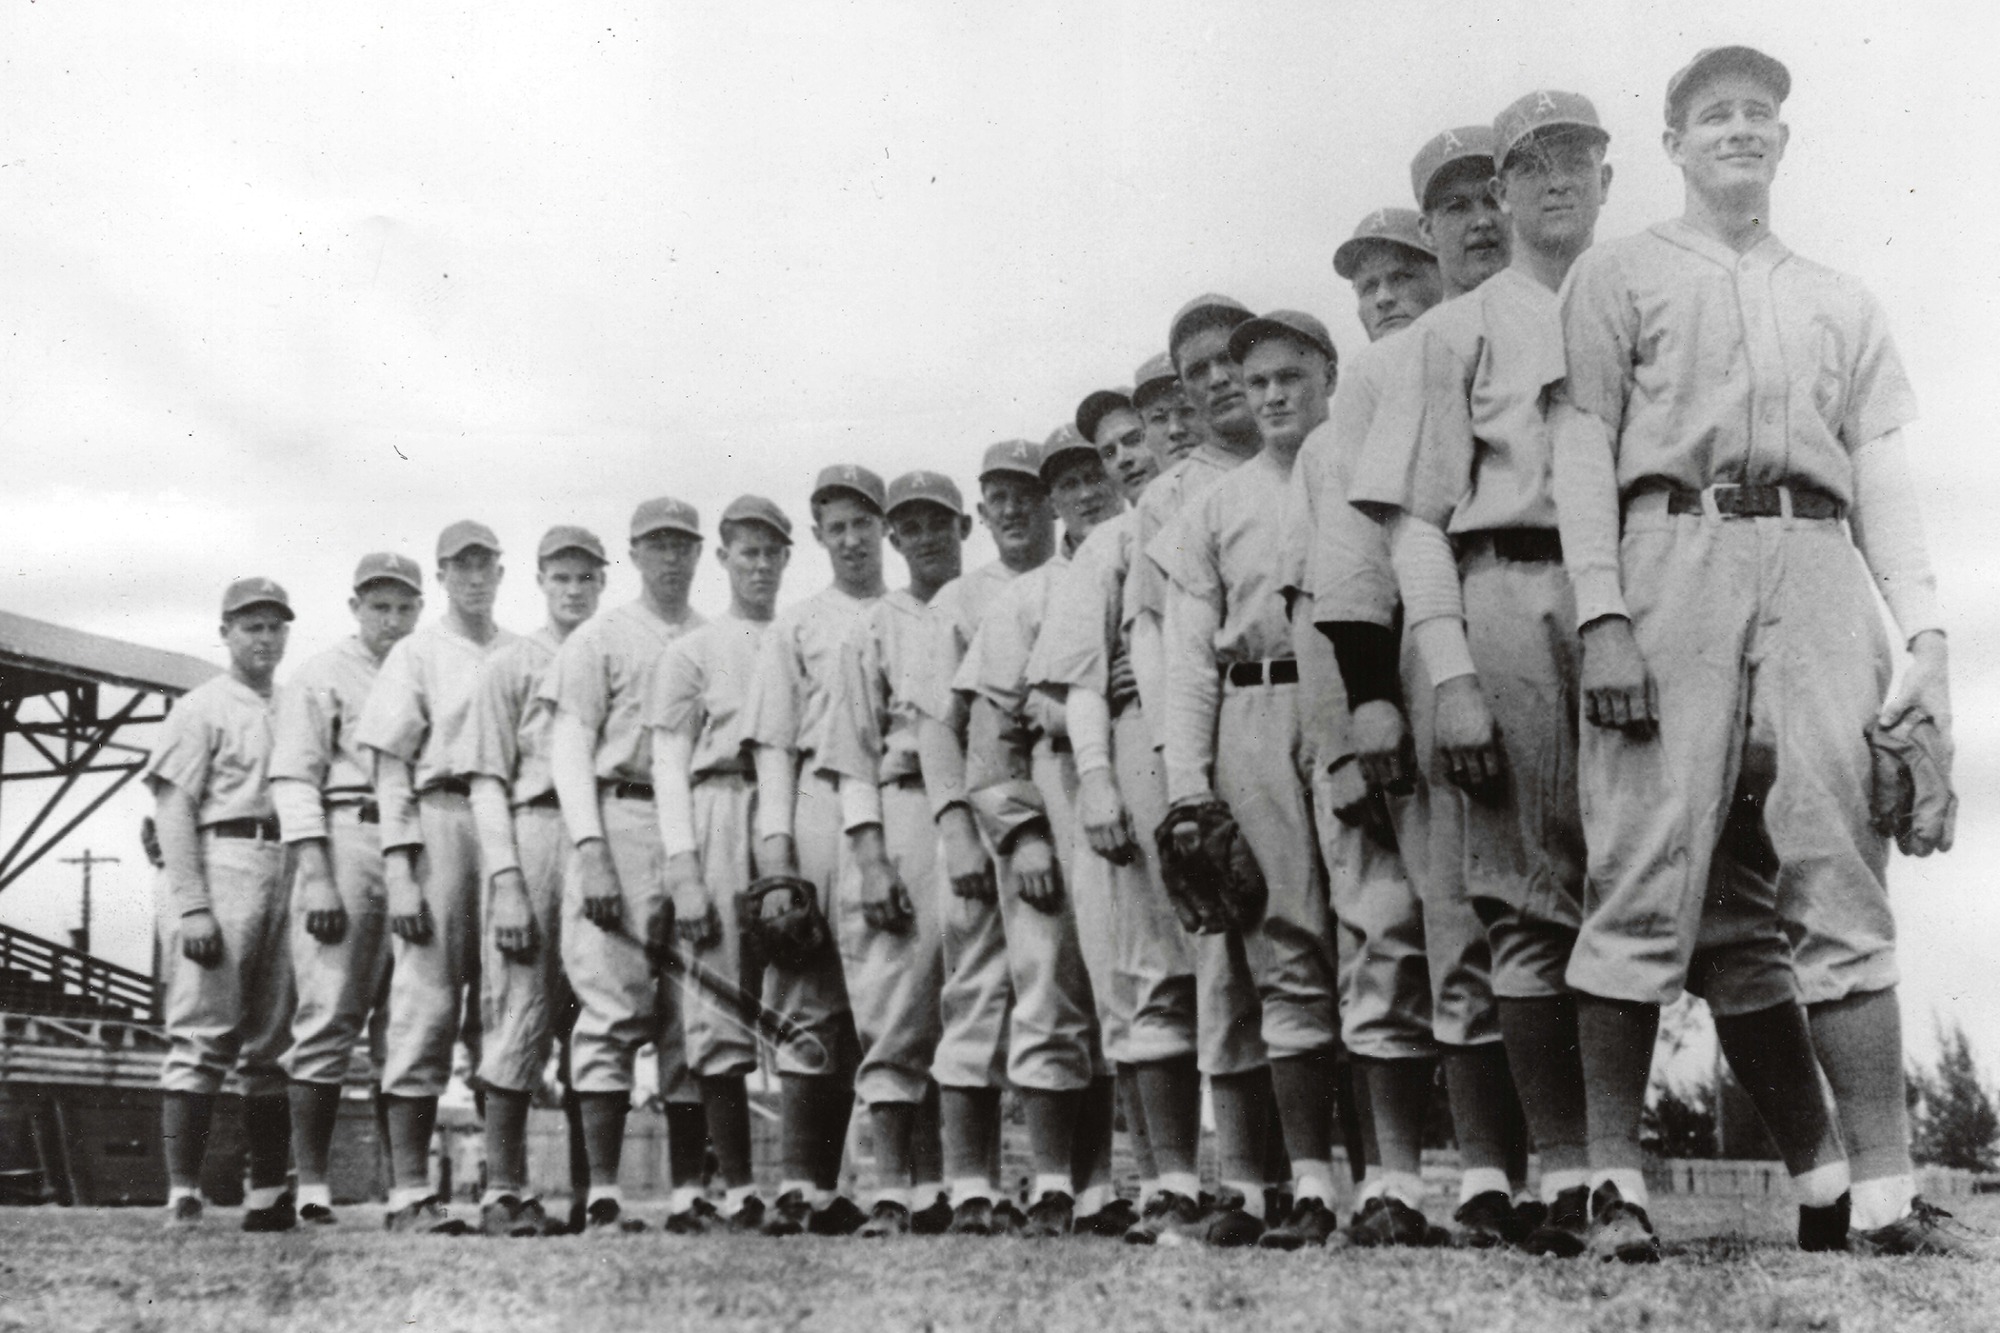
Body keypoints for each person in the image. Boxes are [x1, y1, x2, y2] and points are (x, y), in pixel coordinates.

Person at [1550, 46, 1967, 1258]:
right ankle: (1610, 1187)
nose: (1736, 130)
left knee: (1838, 858)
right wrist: (1600, 613)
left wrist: (1926, 634)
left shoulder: (1840, 296)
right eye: (1710, 114)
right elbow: (1584, 444)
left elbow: (1880, 471)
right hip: (1668, 546)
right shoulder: (1618, 274)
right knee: (1641, 858)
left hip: (1816, 554)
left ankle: (1880, 1197)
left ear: (1780, 143)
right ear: (1672, 143)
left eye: (1756, 114)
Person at [1333, 127, 1538, 1246]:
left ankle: (1573, 1163)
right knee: (1458, 908)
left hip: (1555, 621)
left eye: (1485, 195)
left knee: (1556, 901)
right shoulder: (1387, 361)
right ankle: (1486, 1176)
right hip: (1437, 621)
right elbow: (1360, 545)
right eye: (1448, 205)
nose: (1475, 219)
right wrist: (1367, 689)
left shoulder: (1560, 312)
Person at [1156, 310, 1347, 1248]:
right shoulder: (1209, 508)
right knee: (1282, 939)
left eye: (1287, 378)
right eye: (1254, 380)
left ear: (1324, 378)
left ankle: (1411, 1180)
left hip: (1353, 701)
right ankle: (1305, 1182)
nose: (1270, 395)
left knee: (1386, 929)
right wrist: (1189, 785)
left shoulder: (1355, 468)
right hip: (1253, 706)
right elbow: (1188, 659)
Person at [1282, 206, 1442, 1233]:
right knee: (1382, 930)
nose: (1382, 298)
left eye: (1399, 278)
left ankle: (1511, 1177)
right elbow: (1328, 599)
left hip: (1478, 675)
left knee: (1496, 929)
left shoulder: (1474, 374)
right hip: (1376, 699)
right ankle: (1394, 1176)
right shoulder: (1333, 440)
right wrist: (1340, 737)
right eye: (1366, 286)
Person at [1029, 386, 1199, 1232]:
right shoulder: (1109, 542)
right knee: (1146, 966)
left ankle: (1278, 1179)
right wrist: (1094, 776)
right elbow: (1071, 683)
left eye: (1143, 435)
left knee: (1262, 967)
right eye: (1112, 448)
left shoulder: (1220, 501)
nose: (1131, 455)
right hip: (1138, 755)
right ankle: (1174, 1177)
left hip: (1231, 727)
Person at [961, 429, 1128, 1238]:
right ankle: (1057, 1179)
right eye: (1067, 483)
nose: (1086, 492)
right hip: (1054, 792)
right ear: (1051, 498)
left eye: (1095, 474)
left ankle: (1106, 1184)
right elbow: (990, 738)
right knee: (1050, 982)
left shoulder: (1146, 562)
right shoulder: (1023, 597)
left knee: (1128, 986)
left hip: (1138, 782)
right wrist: (1021, 832)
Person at [545, 498, 707, 1235]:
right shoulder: (600, 635)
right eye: (656, 545)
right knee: (609, 1005)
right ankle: (604, 1191)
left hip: (701, 815)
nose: (671, 558)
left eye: (682, 545)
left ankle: (688, 1194)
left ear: (699, 552)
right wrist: (590, 850)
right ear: (634, 556)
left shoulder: (714, 635)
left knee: (694, 1015)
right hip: (621, 814)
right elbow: (569, 748)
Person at [821, 471, 975, 1237]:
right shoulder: (872, 625)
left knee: (974, 996)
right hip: (904, 802)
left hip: (986, 799)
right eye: (909, 526)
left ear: (963, 526)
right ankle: (892, 1188)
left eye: (937, 523)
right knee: (895, 998)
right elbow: (851, 755)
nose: (925, 538)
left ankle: (957, 1185)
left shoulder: (981, 600)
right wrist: (872, 856)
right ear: (893, 537)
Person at [357, 521, 522, 1234]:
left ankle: (504, 1187)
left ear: (500, 571)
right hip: (441, 814)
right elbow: (390, 766)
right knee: (425, 1004)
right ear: (443, 575)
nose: (474, 577)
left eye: (485, 564)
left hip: (510, 820)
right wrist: (399, 864)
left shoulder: (522, 650)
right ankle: (409, 1192)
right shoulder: (418, 650)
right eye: (461, 566)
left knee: (508, 1002)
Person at [741, 465, 891, 1237]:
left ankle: (905, 1186)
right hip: (817, 803)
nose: (852, 537)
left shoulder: (908, 611)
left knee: (896, 992)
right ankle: (807, 1183)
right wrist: (776, 857)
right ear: (821, 537)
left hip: (898, 798)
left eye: (864, 522)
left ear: (885, 526)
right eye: (836, 526)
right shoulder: (797, 623)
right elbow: (772, 747)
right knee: (808, 992)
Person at [910, 439, 1055, 1236]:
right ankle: (971, 1181)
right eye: (995, 495)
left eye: (1023, 492)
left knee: (1066, 993)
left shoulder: (1077, 574)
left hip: (1060, 799)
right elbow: (938, 727)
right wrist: (955, 827)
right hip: (983, 813)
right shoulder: (961, 599)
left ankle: (1078, 1183)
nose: (1010, 508)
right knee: (976, 994)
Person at [651, 495, 797, 1234]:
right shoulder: (694, 649)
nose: (761, 565)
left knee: (808, 990)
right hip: (718, 806)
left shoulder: (801, 633)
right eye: (747, 552)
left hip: (798, 803)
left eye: (773, 552)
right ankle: (738, 1184)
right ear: (725, 558)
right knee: (717, 1002)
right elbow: (668, 761)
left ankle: (809, 1182)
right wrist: (683, 869)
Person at [461, 526, 608, 1236]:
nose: (574, 589)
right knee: (521, 1007)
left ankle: (592, 1191)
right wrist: (509, 880)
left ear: (602, 582)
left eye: (585, 577)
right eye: (561, 577)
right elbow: (486, 782)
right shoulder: (511, 662)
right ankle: (505, 1189)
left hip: (606, 835)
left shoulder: (614, 649)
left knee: (599, 1012)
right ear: (541, 581)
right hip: (537, 829)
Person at [270, 553, 423, 1227]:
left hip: (420, 836)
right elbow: (295, 778)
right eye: (378, 605)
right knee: (330, 1012)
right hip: (348, 830)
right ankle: (312, 1185)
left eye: (402, 605)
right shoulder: (322, 672)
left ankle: (405, 1186)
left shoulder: (428, 663)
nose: (391, 618)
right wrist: (316, 871)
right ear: (356, 605)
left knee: (412, 1019)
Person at [148, 577, 298, 1231]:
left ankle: (266, 1190)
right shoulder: (200, 705)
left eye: (274, 626)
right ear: (225, 632)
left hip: (287, 860)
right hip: (223, 857)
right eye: (251, 626)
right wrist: (191, 903)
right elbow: (173, 807)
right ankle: (183, 1189)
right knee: (202, 1031)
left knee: (273, 1039)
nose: (264, 638)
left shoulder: (298, 705)